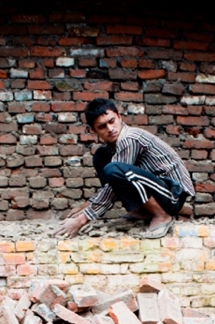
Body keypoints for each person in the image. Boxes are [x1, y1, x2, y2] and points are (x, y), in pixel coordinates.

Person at [56, 98, 194, 239]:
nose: (110, 129)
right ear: (93, 130)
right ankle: (141, 211)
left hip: (173, 195)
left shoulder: (128, 139)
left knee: (114, 169)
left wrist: (82, 219)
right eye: (102, 126)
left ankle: (161, 215)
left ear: (119, 117)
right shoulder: (112, 147)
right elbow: (113, 184)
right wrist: (88, 205)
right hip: (158, 189)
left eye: (112, 121)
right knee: (101, 156)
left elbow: (113, 183)